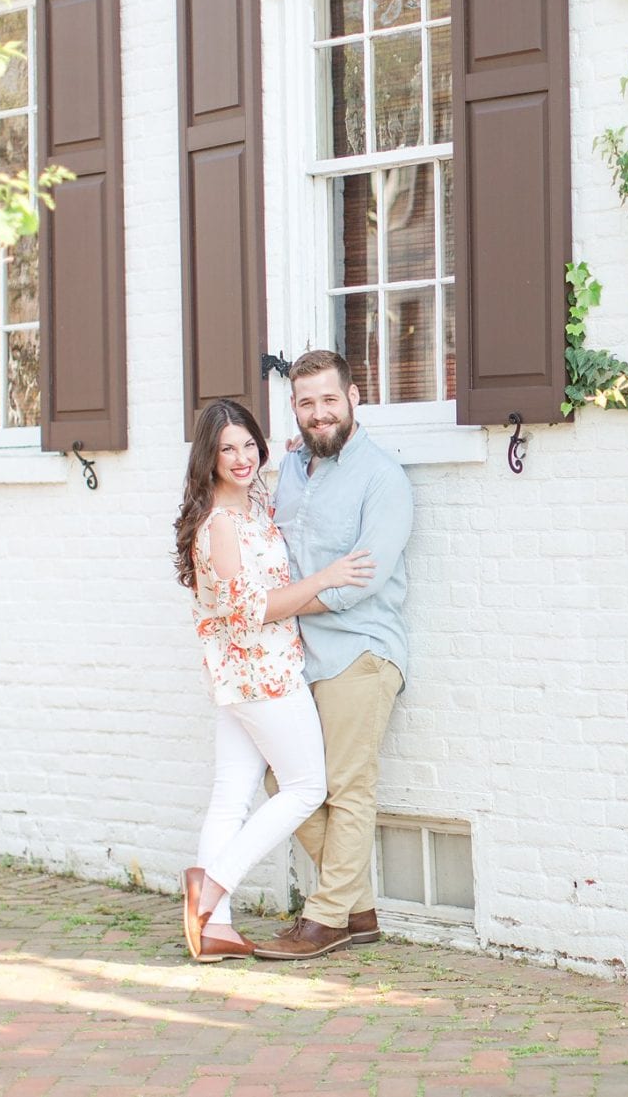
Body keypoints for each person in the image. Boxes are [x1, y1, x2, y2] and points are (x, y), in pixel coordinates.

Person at [172, 398, 375, 962]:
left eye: (247, 445)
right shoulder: (220, 526)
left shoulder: (247, 502)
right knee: (306, 788)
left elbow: (268, 476)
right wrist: (328, 578)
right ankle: (213, 888)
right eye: (225, 450)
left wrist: (283, 455)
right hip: (264, 674)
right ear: (206, 459)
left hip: (239, 678)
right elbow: (251, 611)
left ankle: (214, 929)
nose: (240, 458)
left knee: (230, 796)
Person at [253, 350, 414, 961]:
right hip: (298, 659)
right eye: (306, 403)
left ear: (353, 398)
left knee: (346, 788)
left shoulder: (382, 478)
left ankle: (324, 920)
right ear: (294, 410)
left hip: (360, 654)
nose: (319, 414)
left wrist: (283, 604)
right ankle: (358, 908)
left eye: (328, 399)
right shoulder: (292, 470)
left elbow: (356, 586)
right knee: (286, 779)